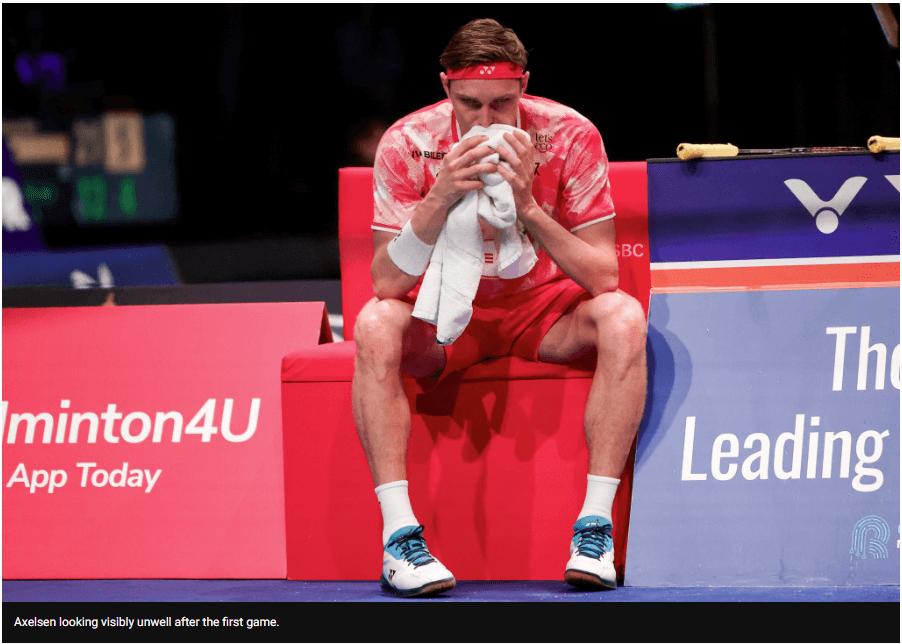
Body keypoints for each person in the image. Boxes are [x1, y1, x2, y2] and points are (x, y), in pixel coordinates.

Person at [352, 18, 647, 597]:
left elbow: (604, 274)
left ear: (525, 85)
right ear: (446, 88)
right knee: (374, 322)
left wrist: (529, 207)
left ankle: (594, 528)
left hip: (543, 311)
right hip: (444, 318)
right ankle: (399, 538)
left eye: (502, 103)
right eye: (470, 103)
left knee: (624, 316)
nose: (485, 120)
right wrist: (441, 195)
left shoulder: (569, 134)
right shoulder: (407, 142)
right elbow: (386, 282)